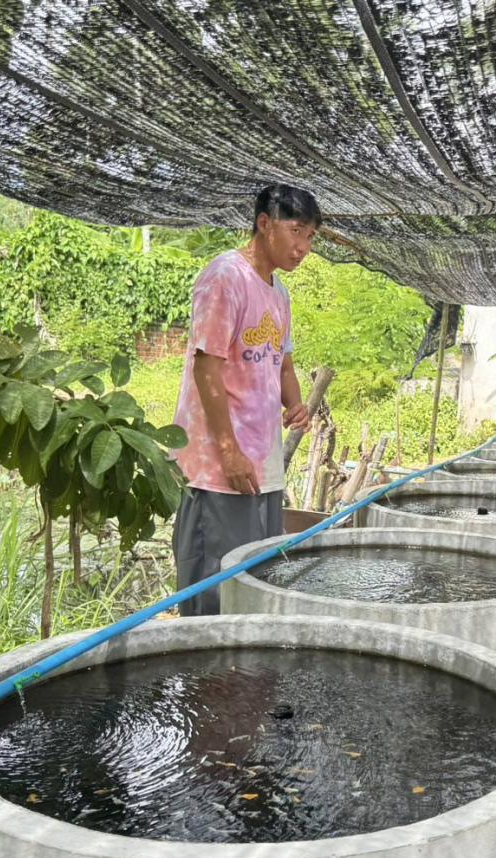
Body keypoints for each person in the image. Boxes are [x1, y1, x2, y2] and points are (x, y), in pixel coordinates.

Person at [171, 184, 317, 616]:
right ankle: (205, 682)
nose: (303, 247)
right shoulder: (225, 277)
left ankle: (239, 682)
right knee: (212, 588)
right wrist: (229, 451)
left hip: (261, 466)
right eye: (297, 232)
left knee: (253, 580)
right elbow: (206, 366)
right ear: (264, 224)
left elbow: (283, 364)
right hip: (219, 468)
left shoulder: (279, 293)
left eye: (311, 236)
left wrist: (296, 404)